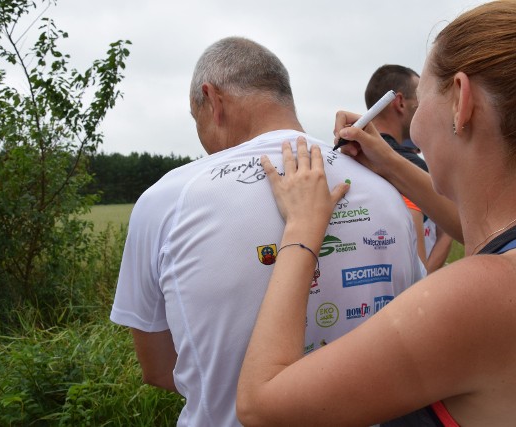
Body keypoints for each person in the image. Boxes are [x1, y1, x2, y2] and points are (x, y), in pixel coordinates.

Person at [236, 2, 516, 426]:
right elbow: (482, 230)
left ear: (461, 99)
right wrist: (387, 161)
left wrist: (303, 229)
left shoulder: (479, 296)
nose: (417, 124)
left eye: (423, 102)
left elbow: (261, 406)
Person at [109, 36, 424, 426]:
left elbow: (158, 369)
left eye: (197, 120)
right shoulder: (388, 190)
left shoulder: (166, 201)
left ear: (213, 100)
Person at [365, 64, 453, 272]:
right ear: (400, 103)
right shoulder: (414, 167)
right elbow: (421, 260)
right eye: (420, 103)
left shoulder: (350, 158)